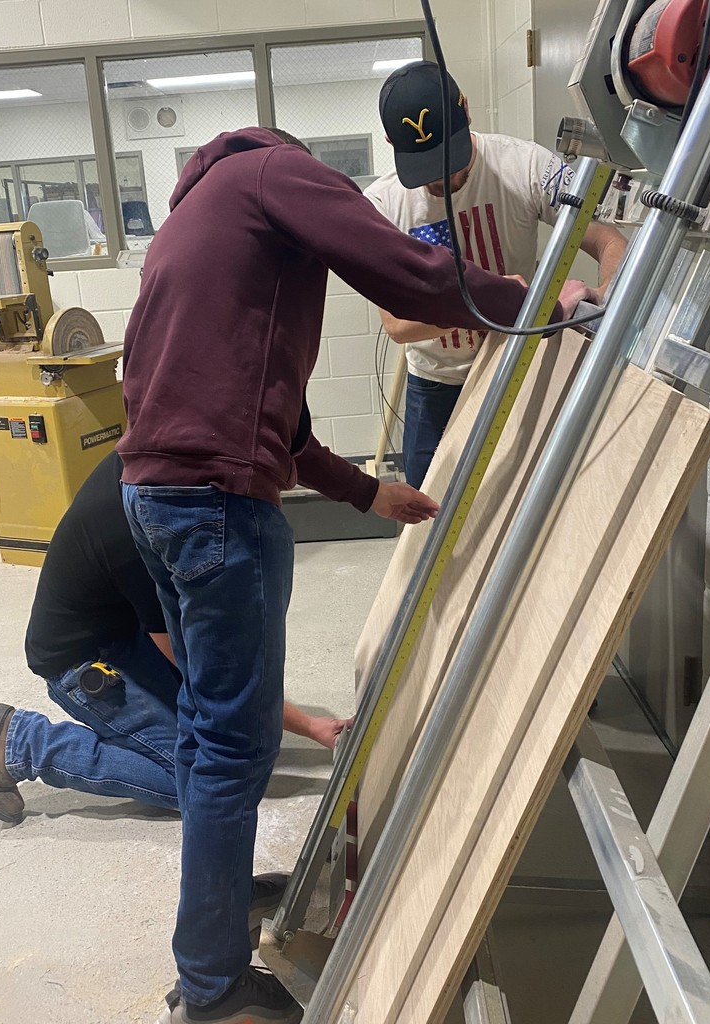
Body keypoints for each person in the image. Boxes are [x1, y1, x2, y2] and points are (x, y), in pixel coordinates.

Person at [117, 125, 586, 1024]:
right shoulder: (275, 173)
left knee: (206, 738)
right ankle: (211, 986)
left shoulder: (195, 220)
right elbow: (402, 269)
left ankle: (207, 940)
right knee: (231, 750)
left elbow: (270, 413)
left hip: (156, 496)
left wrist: (368, 495)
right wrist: (523, 297)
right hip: (218, 505)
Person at [0, 451, 350, 831]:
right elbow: (199, 669)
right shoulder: (142, 524)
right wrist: (309, 725)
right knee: (197, 783)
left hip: (125, 634)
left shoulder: (154, 458)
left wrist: (372, 494)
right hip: (81, 663)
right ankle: (27, 744)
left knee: (228, 740)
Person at [365, 60, 630, 489]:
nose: (446, 179)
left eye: (451, 160)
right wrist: (500, 299)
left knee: (522, 507)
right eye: (429, 169)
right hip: (437, 388)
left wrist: (606, 301)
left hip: (518, 369)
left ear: (466, 111)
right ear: (392, 144)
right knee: (425, 519)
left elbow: (607, 239)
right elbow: (397, 325)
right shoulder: (380, 206)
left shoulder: (525, 167)